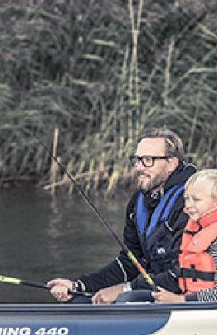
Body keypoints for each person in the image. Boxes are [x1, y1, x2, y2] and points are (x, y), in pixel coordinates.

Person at [47, 128, 196, 304]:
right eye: (137, 160)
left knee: (127, 298)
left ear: (172, 163)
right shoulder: (138, 202)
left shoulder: (192, 202)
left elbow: (182, 272)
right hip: (152, 287)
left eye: (148, 160)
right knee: (79, 301)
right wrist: (80, 286)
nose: (139, 167)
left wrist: (124, 289)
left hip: (183, 292)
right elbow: (130, 263)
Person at [154, 168, 217, 303]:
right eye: (186, 199)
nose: (188, 205)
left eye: (196, 200)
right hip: (197, 304)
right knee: (133, 297)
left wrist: (179, 300)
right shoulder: (199, 229)